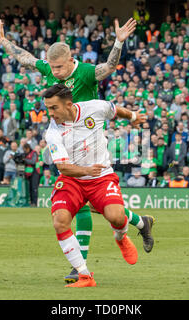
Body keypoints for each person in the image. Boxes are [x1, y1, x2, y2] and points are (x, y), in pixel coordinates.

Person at [0, 17, 155, 284]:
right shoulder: (50, 72)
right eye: (53, 67)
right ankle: (87, 263)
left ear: (71, 60)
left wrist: (118, 42)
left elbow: (109, 67)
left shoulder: (84, 73)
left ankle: (129, 228)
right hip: (63, 135)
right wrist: (3, 41)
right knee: (80, 204)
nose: (56, 72)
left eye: (60, 67)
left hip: (89, 131)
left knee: (101, 208)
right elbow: (26, 58)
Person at [43, 84, 147, 287]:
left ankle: (120, 236)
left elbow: (115, 110)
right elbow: (63, 167)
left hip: (101, 177)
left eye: (54, 108)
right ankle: (84, 275)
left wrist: (133, 117)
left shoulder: (94, 108)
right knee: (60, 221)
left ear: (69, 105)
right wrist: (86, 171)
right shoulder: (53, 132)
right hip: (73, 179)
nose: (50, 113)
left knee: (116, 217)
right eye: (48, 108)